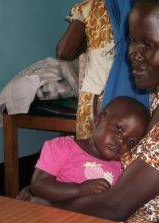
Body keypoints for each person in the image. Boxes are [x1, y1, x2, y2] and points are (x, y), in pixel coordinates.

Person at [35, 0, 159, 223]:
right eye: (133, 41)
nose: (133, 54)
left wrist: (43, 203)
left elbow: (115, 206)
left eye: (148, 45)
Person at [17, 96, 150, 202]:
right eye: (119, 128)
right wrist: (79, 190)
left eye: (131, 141)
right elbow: (38, 185)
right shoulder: (62, 147)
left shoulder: (124, 168)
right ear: (98, 120)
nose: (122, 140)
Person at [57, 0, 149, 140]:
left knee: (93, 152)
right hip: (141, 91)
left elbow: (65, 52)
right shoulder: (151, 6)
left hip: (98, 95)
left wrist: (90, 43)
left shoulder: (92, 6)